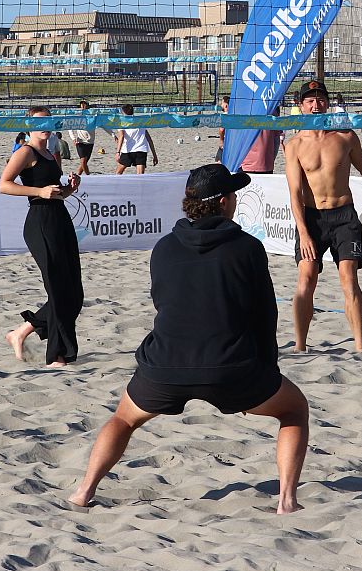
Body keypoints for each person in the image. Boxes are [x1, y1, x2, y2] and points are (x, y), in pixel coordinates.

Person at [66, 164, 309, 513]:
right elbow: (264, 315)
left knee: (123, 419)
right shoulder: (247, 248)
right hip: (231, 368)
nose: (236, 200)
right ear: (223, 202)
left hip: (166, 364)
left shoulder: (164, 247)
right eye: (233, 194)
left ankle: (83, 491)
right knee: (294, 409)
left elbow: (163, 303)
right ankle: (287, 501)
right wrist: (266, 369)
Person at [285, 80, 362, 352]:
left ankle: (361, 345)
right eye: (310, 101)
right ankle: (300, 345)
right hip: (312, 218)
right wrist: (303, 233)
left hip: (343, 216)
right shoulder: (294, 144)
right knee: (306, 278)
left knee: (349, 279)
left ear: (328, 103)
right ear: (301, 106)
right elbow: (294, 192)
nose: (316, 105)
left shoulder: (345, 137)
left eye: (320, 99)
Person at [1, 106, 84, 368]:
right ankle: (57, 356)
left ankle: (20, 333)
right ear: (29, 126)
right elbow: (4, 185)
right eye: (39, 122)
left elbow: (55, 193)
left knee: (74, 293)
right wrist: (38, 191)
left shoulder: (51, 152)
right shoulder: (25, 151)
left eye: (48, 121)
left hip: (59, 217)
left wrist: (70, 189)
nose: (45, 126)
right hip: (40, 222)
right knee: (58, 289)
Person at [115, 104, 158, 175]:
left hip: (128, 150)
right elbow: (149, 139)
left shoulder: (121, 122)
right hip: (141, 150)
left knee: (118, 173)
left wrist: (117, 152)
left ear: (123, 112)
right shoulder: (140, 121)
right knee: (140, 175)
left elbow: (121, 136)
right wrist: (154, 155)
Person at [69, 100, 96, 176]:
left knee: (84, 162)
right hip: (80, 141)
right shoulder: (78, 115)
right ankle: (89, 176)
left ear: (88, 106)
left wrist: (113, 135)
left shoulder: (93, 115)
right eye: (82, 105)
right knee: (83, 161)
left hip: (90, 141)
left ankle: (78, 175)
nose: (83, 106)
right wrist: (73, 138)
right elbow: (70, 127)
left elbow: (103, 124)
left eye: (84, 104)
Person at [214, 95, 230, 163]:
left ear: (226, 105)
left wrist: (221, 140)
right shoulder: (235, 114)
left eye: (222, 103)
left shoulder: (225, 115)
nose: (221, 105)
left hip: (226, 141)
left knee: (218, 161)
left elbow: (222, 129)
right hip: (234, 141)